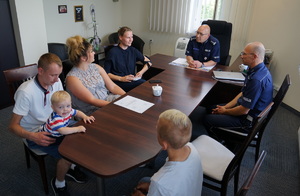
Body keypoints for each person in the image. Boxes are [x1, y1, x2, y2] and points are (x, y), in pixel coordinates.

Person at [9, 53, 86, 196]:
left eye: (59, 75)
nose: (58, 80)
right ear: (40, 71)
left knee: (84, 135)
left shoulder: (55, 82)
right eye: (53, 75)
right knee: (69, 153)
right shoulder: (25, 92)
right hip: (36, 133)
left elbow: (62, 106)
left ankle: (70, 166)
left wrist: (72, 115)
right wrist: (33, 136)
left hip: (56, 123)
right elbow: (12, 126)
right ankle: (59, 183)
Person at [203, 42, 273, 138]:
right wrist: (226, 107)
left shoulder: (256, 80)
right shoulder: (258, 70)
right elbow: (242, 93)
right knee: (210, 108)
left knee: (207, 119)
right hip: (244, 109)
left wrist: (224, 111)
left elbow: (243, 111)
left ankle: (222, 141)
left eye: (244, 54)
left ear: (254, 56)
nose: (241, 56)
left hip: (246, 122)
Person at [132, 109, 203, 196]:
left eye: (157, 129)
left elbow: (162, 185)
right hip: (189, 190)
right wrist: (151, 186)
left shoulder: (159, 183)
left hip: (167, 187)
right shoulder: (191, 148)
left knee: (143, 181)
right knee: (146, 180)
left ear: (164, 145)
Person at [65, 35, 126, 116]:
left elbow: (113, 87)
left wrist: (127, 97)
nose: (94, 53)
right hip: (91, 112)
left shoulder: (96, 67)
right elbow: (92, 100)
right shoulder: (72, 79)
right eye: (91, 51)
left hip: (107, 100)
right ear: (83, 57)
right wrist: (114, 106)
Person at [104, 26, 152, 92]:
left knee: (147, 84)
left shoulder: (133, 50)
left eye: (132, 37)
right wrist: (121, 78)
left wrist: (141, 72)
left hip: (131, 80)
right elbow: (106, 73)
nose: (131, 40)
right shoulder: (112, 52)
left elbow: (148, 62)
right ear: (120, 37)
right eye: (128, 37)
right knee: (144, 85)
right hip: (118, 83)